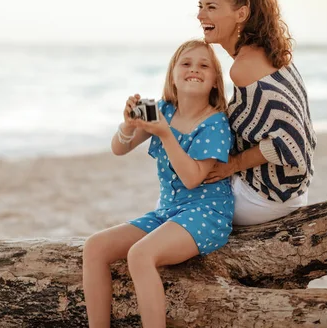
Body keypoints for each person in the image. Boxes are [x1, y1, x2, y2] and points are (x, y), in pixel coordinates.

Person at [82, 39, 234, 328]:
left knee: (140, 254)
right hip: (168, 211)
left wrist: (166, 134)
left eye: (204, 65)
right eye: (186, 64)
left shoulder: (215, 124)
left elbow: (191, 178)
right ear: (172, 75)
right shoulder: (162, 109)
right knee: (94, 247)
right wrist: (128, 125)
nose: (194, 70)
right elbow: (119, 148)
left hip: (206, 214)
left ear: (215, 80)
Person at [198, 0, 317, 225]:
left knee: (182, 197)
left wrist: (234, 164)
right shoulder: (269, 52)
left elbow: (291, 141)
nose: (200, 15)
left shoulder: (244, 69)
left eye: (211, 7)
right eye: (200, 6)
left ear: (241, 13)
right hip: (292, 191)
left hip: (265, 197)